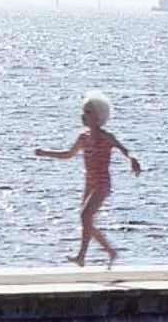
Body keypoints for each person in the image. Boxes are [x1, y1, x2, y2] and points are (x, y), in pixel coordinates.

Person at [35, 92, 142, 266]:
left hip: (101, 183)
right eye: (83, 112)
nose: (83, 116)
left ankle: (81, 257)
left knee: (85, 215)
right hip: (89, 182)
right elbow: (68, 154)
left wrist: (132, 160)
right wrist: (45, 153)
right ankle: (110, 251)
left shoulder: (106, 137)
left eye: (88, 113)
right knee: (86, 220)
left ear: (98, 117)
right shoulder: (83, 138)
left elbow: (125, 150)